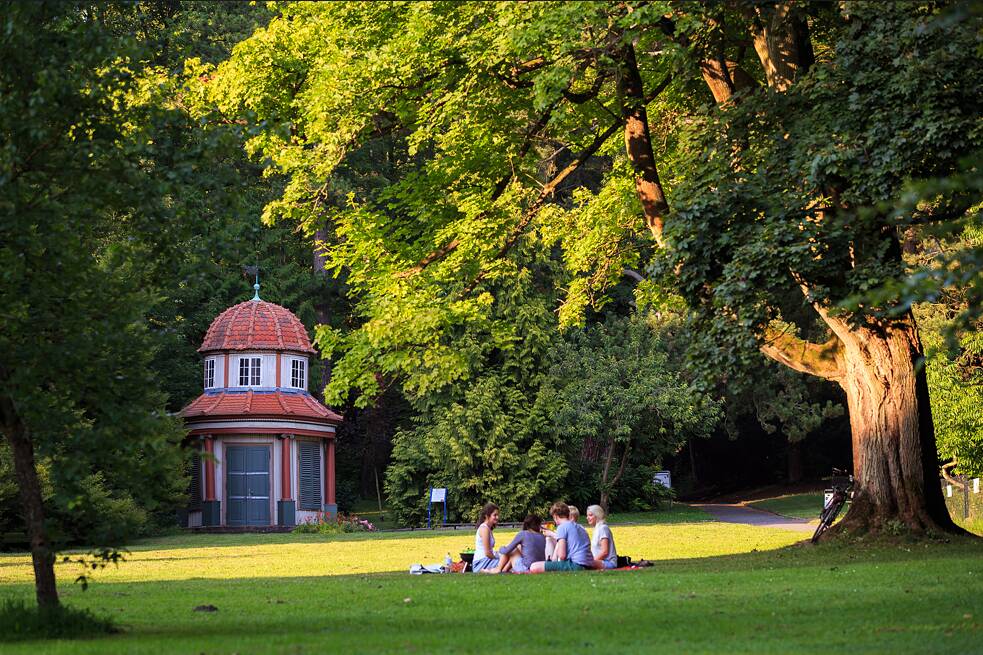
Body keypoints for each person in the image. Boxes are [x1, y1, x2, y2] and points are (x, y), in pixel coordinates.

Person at [529, 502, 593, 573]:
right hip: (589, 564)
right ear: (568, 514)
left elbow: (562, 556)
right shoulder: (580, 527)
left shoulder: (562, 527)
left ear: (555, 516)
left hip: (576, 565)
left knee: (534, 566)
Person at [471, 503, 501, 573]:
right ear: (487, 516)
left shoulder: (488, 528)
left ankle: (496, 570)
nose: (497, 517)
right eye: (495, 515)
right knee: (505, 561)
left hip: (486, 560)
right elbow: (488, 553)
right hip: (481, 562)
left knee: (506, 559)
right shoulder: (484, 529)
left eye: (498, 515)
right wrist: (499, 557)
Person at [586, 504, 618, 569]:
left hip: (608, 562)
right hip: (600, 561)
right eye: (587, 515)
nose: (587, 518)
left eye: (590, 515)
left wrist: (592, 561)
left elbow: (605, 552)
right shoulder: (597, 529)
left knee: (583, 564)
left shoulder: (603, 528)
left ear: (598, 516)